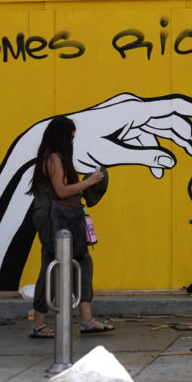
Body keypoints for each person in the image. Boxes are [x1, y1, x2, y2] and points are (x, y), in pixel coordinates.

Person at [27, 115, 114, 338]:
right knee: (53, 266)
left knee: (79, 261)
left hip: (62, 217)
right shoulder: (54, 159)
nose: (73, 142)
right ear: (61, 137)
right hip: (54, 218)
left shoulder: (53, 158)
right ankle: (42, 322)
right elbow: (62, 191)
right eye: (71, 137)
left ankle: (85, 318)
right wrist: (90, 181)